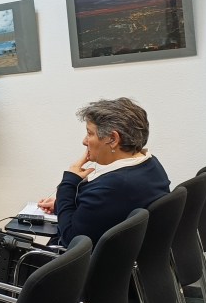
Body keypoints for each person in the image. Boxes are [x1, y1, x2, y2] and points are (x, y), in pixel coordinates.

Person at [37, 97, 170, 246]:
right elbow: (107, 211)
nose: (84, 141)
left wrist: (69, 183)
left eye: (89, 133)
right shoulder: (151, 164)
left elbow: (71, 239)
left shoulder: (114, 186)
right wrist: (61, 204)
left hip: (78, 259)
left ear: (113, 139)